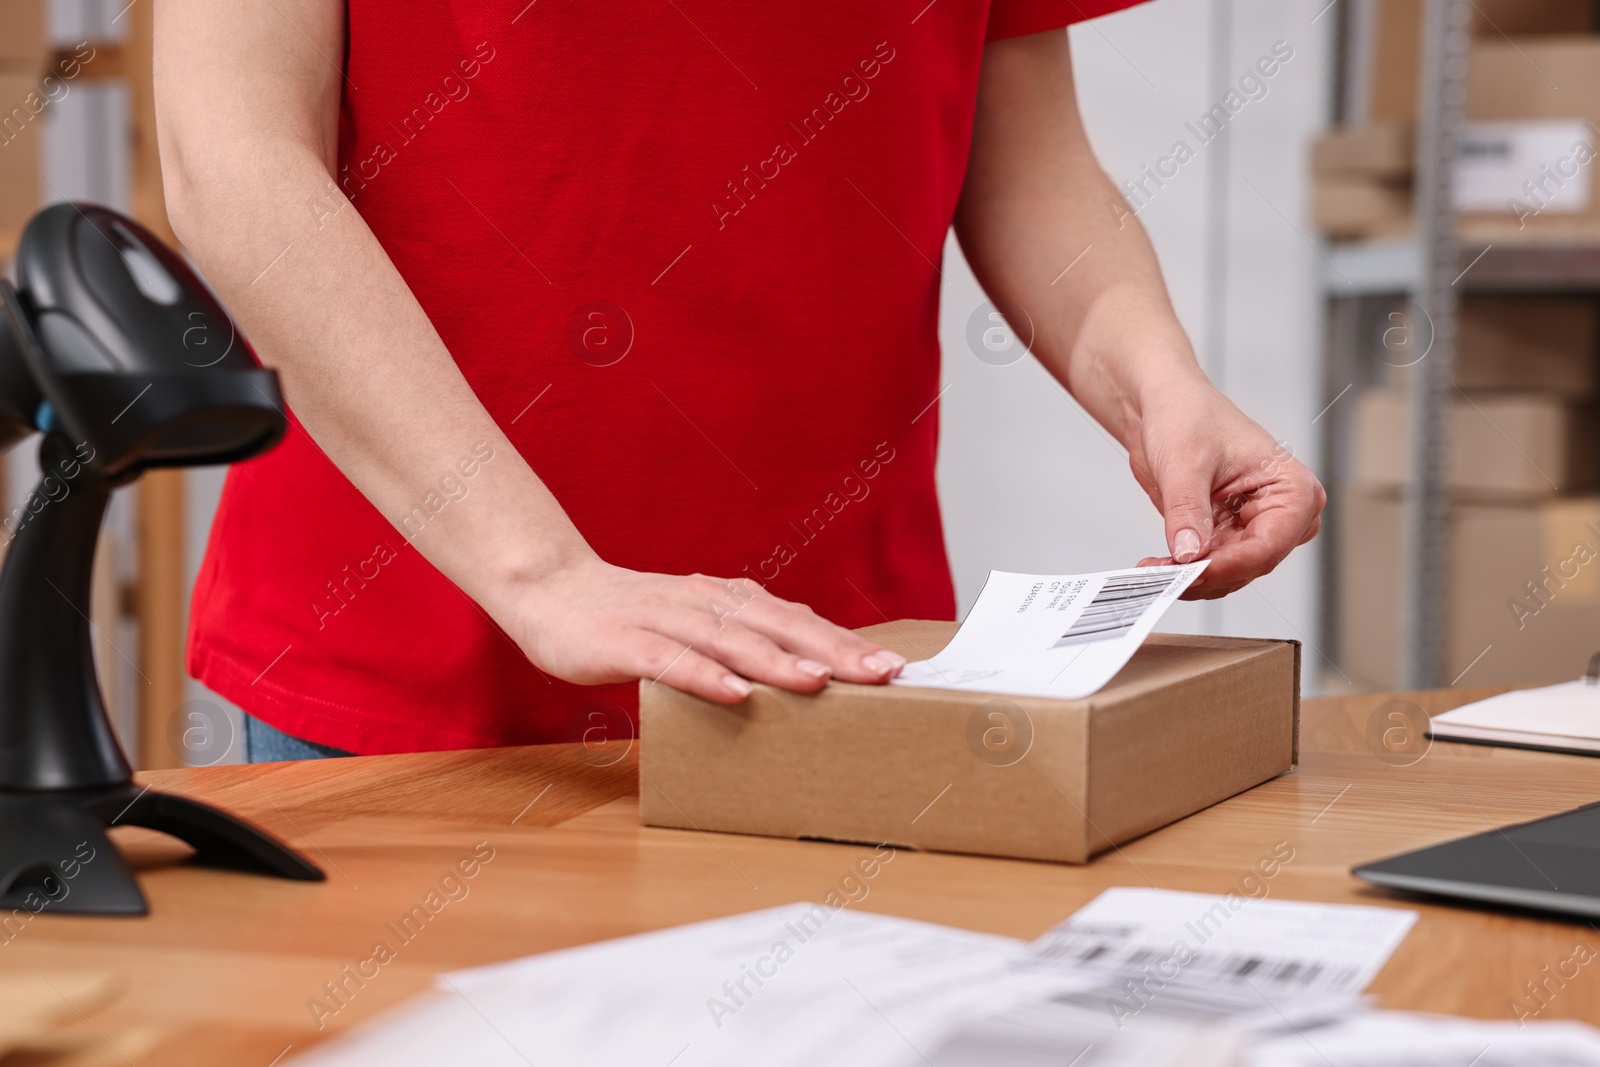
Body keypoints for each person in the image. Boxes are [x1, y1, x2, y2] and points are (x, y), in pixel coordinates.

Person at [153, 0, 1324, 763]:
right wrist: (543, 571)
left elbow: (1026, 160)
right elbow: (234, 156)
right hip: (402, 658)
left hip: (834, 666)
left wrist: (1160, 386)